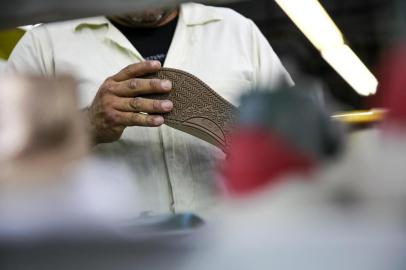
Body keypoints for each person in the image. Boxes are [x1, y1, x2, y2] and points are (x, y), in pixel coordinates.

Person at [6, 2, 293, 218]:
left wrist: (259, 142)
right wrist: (87, 125)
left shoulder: (236, 31)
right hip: (108, 255)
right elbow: (9, 168)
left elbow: (301, 143)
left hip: (230, 246)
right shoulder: (44, 45)